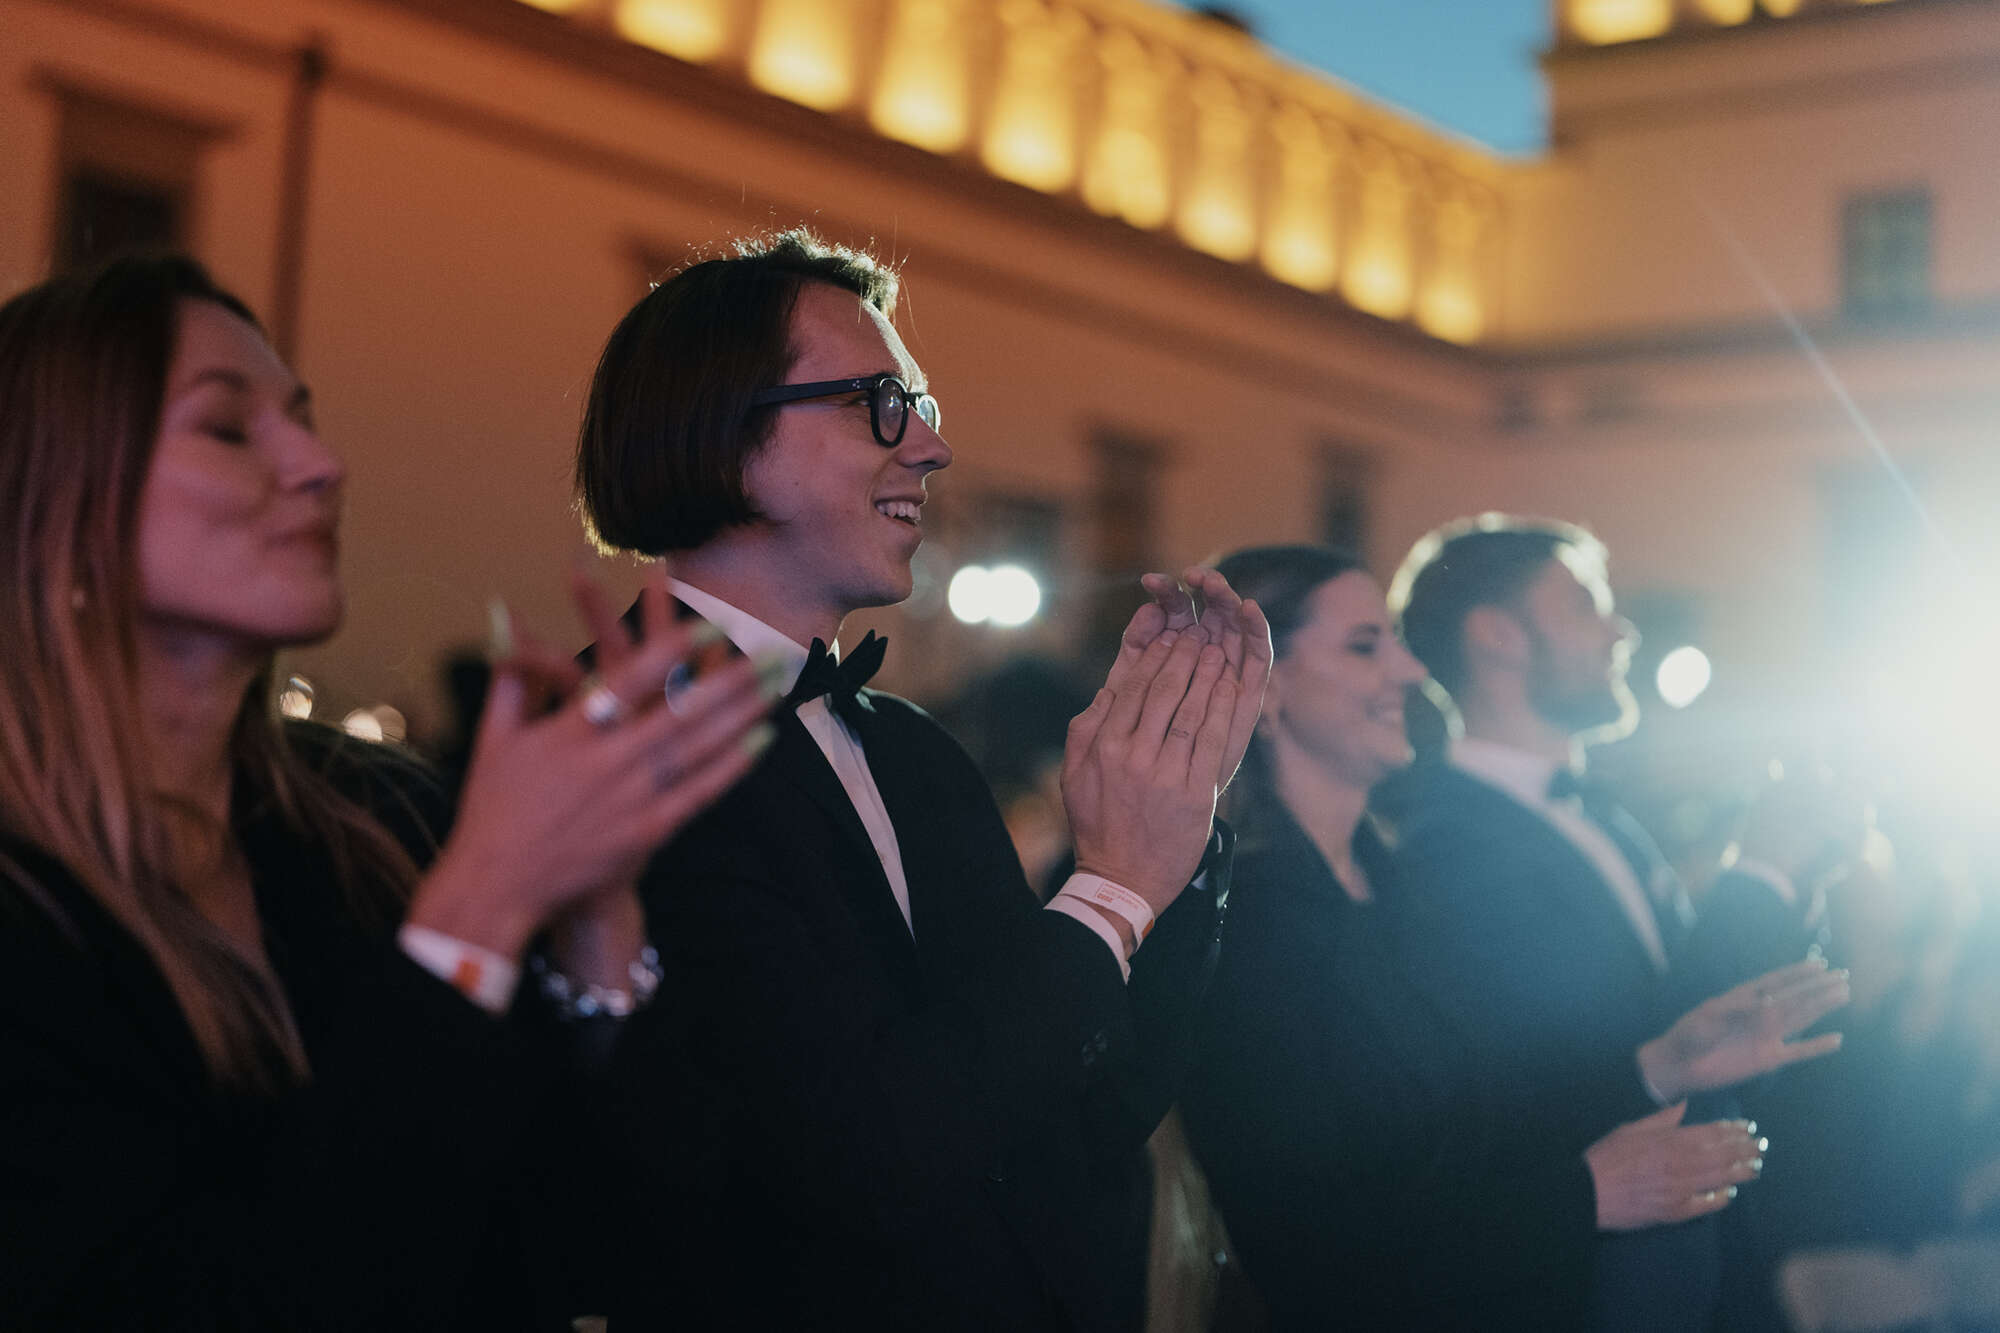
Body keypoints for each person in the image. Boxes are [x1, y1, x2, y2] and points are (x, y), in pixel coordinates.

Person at [0, 254, 775, 1331]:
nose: (321, 465)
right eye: (227, 429)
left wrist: (597, 913)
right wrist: (482, 904)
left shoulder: (380, 815)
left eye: (303, 420)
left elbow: (619, 1252)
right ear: (52, 505)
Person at [570, 228, 1271, 1330]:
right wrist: (1106, 892)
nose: (934, 448)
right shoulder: (612, 737)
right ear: (727, 430)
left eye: (921, 405)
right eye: (881, 405)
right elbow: (863, 1153)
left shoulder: (909, 749)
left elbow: (1078, 1112)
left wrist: (1167, 823)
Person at [1179, 545, 1843, 1331]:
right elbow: (1321, 1239)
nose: (1410, 671)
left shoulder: (1393, 886)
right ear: (1266, 685)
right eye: (1365, 647)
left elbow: (1495, 1113)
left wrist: (1660, 1066)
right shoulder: (1247, 922)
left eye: (1396, 642)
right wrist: (1586, 1193)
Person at [1385, 515, 1847, 1332]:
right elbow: (1625, 1057)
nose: (1621, 629)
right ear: (1497, 635)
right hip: (1596, 1286)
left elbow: (1718, 1039)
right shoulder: (1448, 845)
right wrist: (1760, 873)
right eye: (1585, 604)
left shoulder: (1604, 817)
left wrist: (1796, 877)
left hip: (1707, 1255)